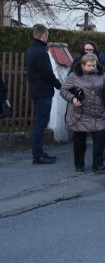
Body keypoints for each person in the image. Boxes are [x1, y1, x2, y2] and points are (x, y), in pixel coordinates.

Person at [59, 53, 105, 173]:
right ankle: (79, 164)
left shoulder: (101, 74)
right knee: (80, 141)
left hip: (97, 111)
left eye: (94, 65)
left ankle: (98, 164)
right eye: (89, 66)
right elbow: (63, 90)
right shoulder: (74, 76)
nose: (92, 68)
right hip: (80, 112)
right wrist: (72, 98)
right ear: (82, 65)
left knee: (100, 138)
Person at [25, 24, 61, 164]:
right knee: (41, 124)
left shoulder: (31, 50)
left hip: (35, 91)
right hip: (43, 92)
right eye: (47, 36)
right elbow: (48, 74)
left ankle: (39, 152)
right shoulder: (41, 52)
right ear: (43, 35)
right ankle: (38, 155)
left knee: (39, 123)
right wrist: (59, 85)